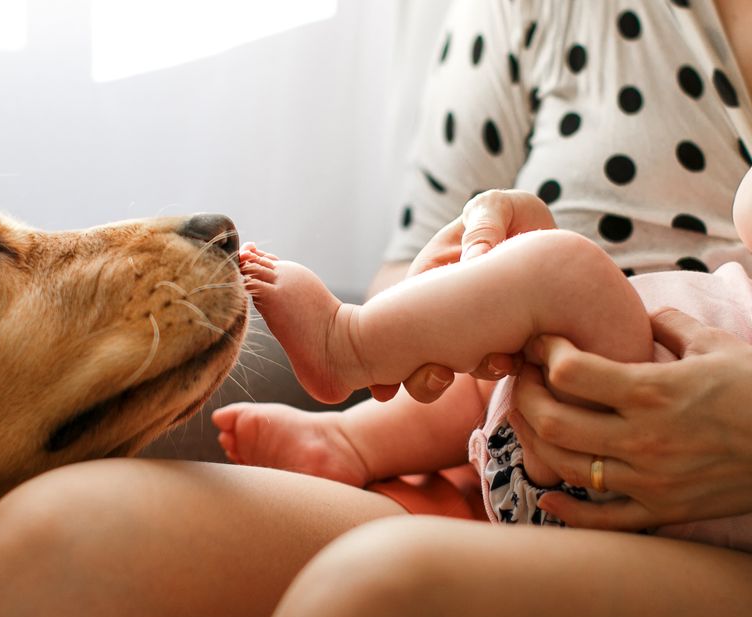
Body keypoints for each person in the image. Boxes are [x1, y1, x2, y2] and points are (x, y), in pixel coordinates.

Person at [0, 1, 752, 617]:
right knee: (61, 542)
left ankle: (349, 344)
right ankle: (354, 430)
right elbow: (428, 283)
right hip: (512, 455)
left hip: (714, 542)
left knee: (378, 600)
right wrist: (471, 276)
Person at [219, 183, 752, 549]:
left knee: (565, 275)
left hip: (648, 481)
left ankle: (348, 344)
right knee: (497, 362)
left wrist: (527, 275)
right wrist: (481, 285)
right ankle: (350, 441)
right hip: (589, 434)